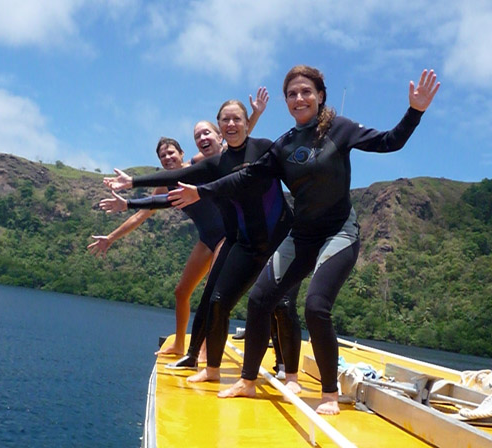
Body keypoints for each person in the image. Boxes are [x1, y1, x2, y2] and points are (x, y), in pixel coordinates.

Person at [167, 66, 440, 414]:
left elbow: (389, 141)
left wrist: (415, 110)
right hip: (302, 234)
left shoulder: (340, 130)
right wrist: (201, 191)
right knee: (260, 299)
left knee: (315, 306)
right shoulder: (284, 145)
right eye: (292, 94)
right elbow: (246, 177)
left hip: (339, 231)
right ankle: (247, 382)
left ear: (320, 96)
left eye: (306, 92)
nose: (299, 98)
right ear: (286, 101)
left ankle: (328, 394)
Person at [104, 97, 302, 388]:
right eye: (224, 121)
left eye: (236, 120)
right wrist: (132, 185)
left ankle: (288, 370)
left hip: (277, 237)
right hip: (243, 240)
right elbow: (174, 179)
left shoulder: (263, 149)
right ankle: (205, 362)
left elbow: (271, 163)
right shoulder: (212, 165)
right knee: (217, 299)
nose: (229, 126)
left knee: (279, 303)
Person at [88, 137, 225, 357]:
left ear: (182, 154)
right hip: (207, 239)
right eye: (163, 156)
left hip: (227, 236)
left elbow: (230, 143)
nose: (168, 158)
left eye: (171, 153)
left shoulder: (198, 165)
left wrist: (253, 116)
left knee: (212, 292)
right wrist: (110, 238)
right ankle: (179, 344)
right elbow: (142, 215)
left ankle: (206, 349)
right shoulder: (165, 185)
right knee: (181, 293)